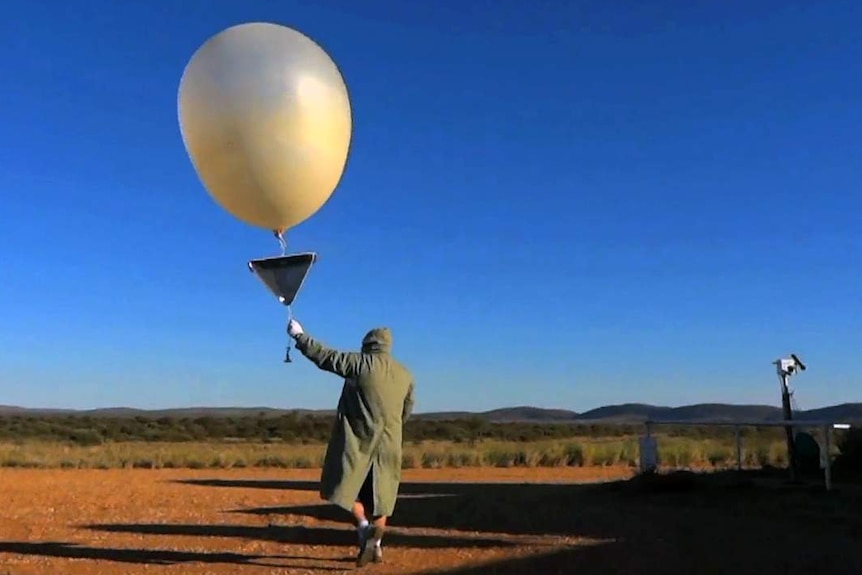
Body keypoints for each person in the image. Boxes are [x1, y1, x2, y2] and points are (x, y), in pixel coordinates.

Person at [287, 318, 415, 567]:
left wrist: (299, 337)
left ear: (367, 344)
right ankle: (375, 546)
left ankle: (365, 529)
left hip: (358, 442)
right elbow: (407, 410)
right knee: (382, 496)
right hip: (390, 443)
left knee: (345, 487)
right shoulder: (405, 374)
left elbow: (325, 357)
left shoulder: (359, 364)